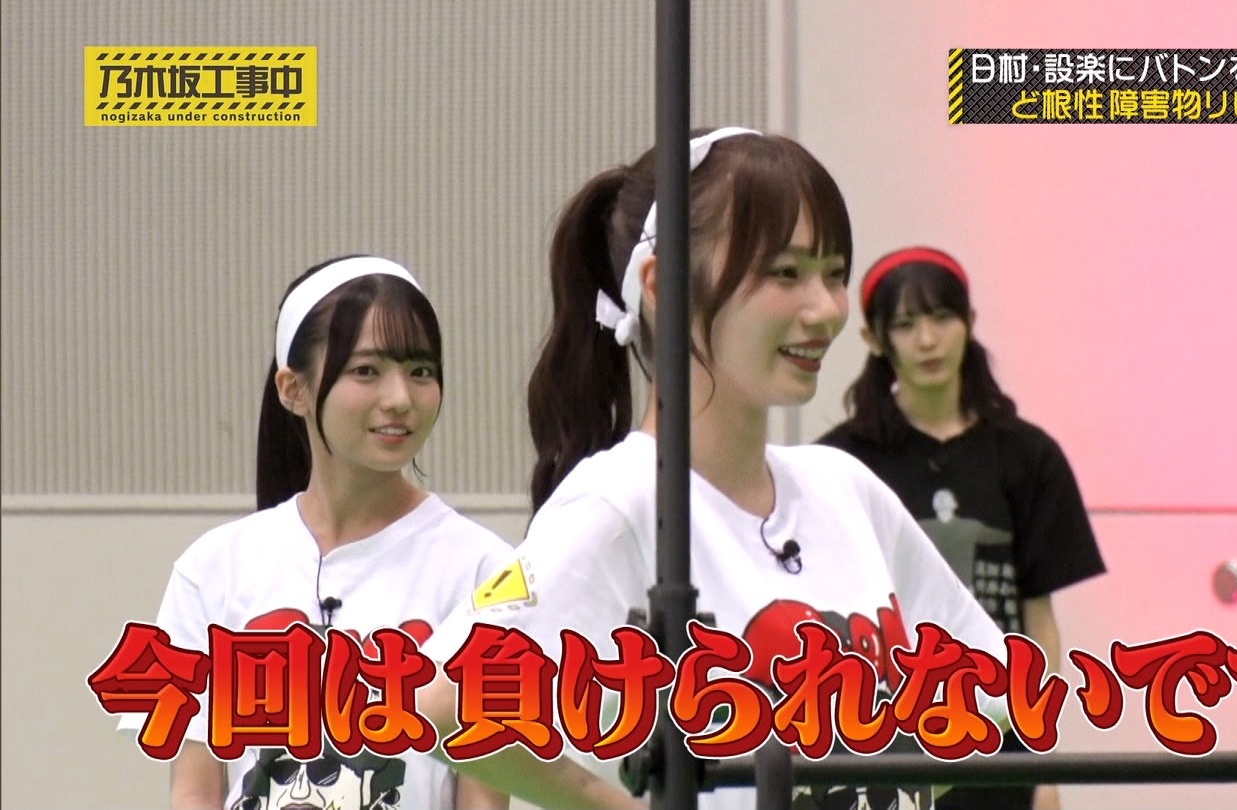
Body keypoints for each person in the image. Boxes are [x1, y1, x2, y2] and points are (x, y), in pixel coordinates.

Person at [416, 128, 1008, 810]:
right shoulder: (621, 501)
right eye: (785, 273)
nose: (825, 309)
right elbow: (438, 700)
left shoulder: (844, 487)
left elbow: (991, 690)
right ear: (664, 285)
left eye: (834, 273)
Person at [118, 255, 514, 810]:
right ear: (293, 389)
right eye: (367, 371)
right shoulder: (213, 569)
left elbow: (485, 798)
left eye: (421, 371)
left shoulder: (484, 573)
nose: (400, 398)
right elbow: (194, 790)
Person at [818, 246, 1108, 810]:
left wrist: (1043, 762)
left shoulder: (1029, 458)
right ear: (874, 339)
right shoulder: (840, 466)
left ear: (970, 323)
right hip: (885, 743)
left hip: (1000, 743)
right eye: (906, 324)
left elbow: (1037, 620)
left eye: (942, 317)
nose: (927, 340)